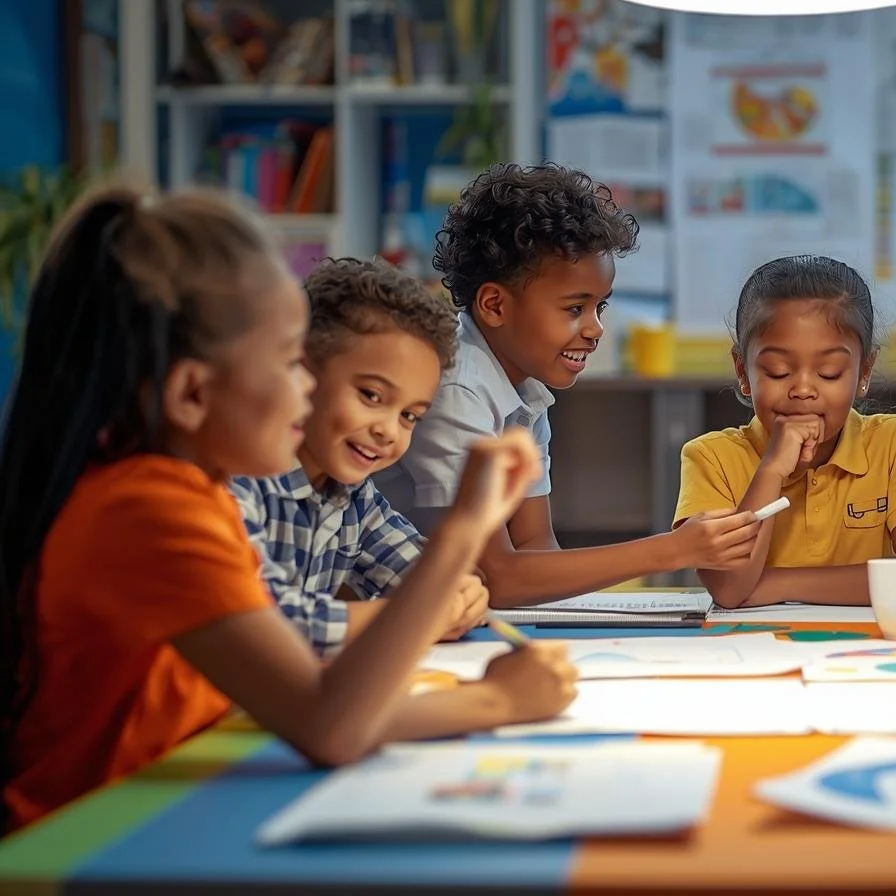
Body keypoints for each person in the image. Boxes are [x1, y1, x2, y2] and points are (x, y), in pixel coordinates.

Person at [0, 186, 575, 832]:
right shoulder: (149, 509)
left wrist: (491, 695)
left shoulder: (192, 494)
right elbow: (328, 725)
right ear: (193, 393)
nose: (307, 387)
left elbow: (323, 713)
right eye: (287, 363)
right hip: (83, 837)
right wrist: (495, 695)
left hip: (172, 799)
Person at [372, 162, 760, 604]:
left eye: (600, 308)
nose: (595, 329)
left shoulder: (525, 391)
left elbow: (536, 545)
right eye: (575, 309)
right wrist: (671, 551)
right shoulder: (456, 389)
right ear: (495, 305)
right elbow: (497, 575)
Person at [231, 258, 486, 657]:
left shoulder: (355, 498)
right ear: (302, 375)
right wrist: (414, 615)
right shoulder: (238, 483)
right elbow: (265, 623)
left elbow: (422, 575)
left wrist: (460, 592)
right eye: (371, 395)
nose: (388, 430)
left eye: (409, 416)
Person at [676, 255, 896, 608]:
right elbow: (731, 588)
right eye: (778, 371)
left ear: (864, 372)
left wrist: (776, 585)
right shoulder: (710, 457)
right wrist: (772, 469)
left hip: (869, 654)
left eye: (829, 372)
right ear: (743, 371)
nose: (804, 389)